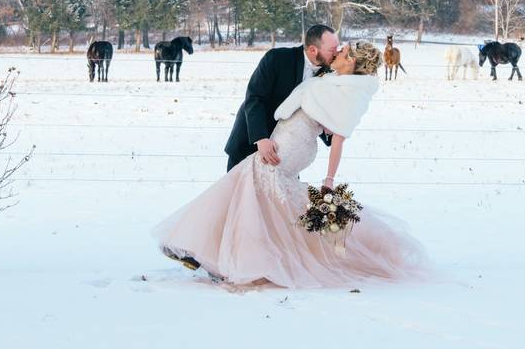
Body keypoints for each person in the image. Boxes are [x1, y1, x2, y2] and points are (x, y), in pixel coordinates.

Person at [154, 42, 428, 289]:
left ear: (353, 62)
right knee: (255, 196)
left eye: (343, 52)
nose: (338, 51)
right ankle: (210, 252)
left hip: (292, 145)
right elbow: (261, 99)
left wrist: (329, 181)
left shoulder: (350, 92)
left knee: (249, 188)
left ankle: (206, 250)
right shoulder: (329, 78)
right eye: (336, 47)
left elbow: (339, 137)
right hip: (282, 137)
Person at [223, 24, 340, 172]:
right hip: (251, 143)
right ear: (312, 50)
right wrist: (261, 138)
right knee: (239, 193)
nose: (337, 53)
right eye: (332, 50)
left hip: (287, 154)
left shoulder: (331, 75)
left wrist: (332, 131)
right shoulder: (277, 59)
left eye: (338, 47)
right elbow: (255, 98)